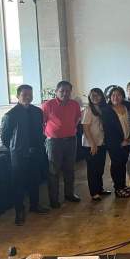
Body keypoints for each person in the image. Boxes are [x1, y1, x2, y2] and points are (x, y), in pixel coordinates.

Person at [1, 85, 49, 225]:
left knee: (35, 180)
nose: (28, 97)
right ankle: (19, 211)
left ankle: (34, 205)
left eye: (30, 94)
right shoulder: (10, 115)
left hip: (36, 152)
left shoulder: (37, 112)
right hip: (19, 155)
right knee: (19, 184)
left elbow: (40, 130)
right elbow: (5, 138)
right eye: (24, 94)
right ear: (18, 96)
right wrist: (18, 148)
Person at [42, 80, 82, 208]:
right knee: (54, 171)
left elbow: (77, 118)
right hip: (54, 142)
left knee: (69, 169)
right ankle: (54, 199)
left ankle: (69, 194)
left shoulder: (74, 104)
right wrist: (49, 134)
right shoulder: (48, 105)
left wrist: (70, 128)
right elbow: (42, 122)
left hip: (71, 140)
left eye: (68, 91)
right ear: (56, 92)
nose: (65, 93)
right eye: (62, 91)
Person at [101, 86, 130, 198]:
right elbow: (108, 130)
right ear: (110, 97)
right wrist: (120, 142)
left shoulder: (128, 106)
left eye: (118, 95)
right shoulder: (107, 110)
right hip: (115, 143)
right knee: (116, 164)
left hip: (128, 140)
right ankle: (118, 188)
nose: (116, 97)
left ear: (123, 96)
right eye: (113, 95)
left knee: (123, 163)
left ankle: (123, 185)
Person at [82, 88, 110, 201]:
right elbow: (85, 128)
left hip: (101, 142)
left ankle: (100, 188)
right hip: (90, 144)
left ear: (102, 96)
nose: (95, 97)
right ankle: (94, 192)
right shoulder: (88, 110)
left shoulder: (102, 109)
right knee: (92, 169)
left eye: (97, 95)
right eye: (92, 95)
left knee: (100, 168)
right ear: (89, 97)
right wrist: (92, 144)